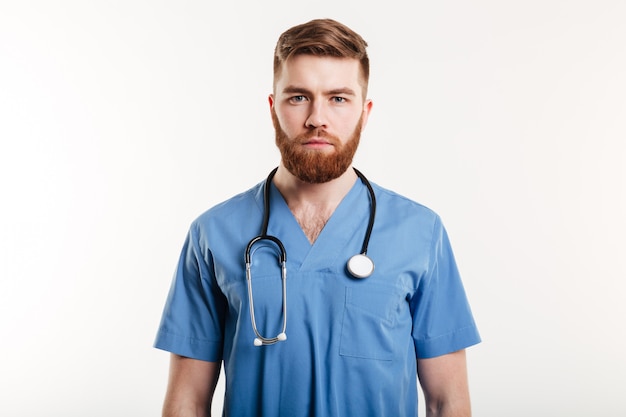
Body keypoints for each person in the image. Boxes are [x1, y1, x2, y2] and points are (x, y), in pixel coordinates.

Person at [154, 18, 480, 417]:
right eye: (298, 97)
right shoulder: (213, 234)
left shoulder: (420, 232)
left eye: (339, 98)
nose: (317, 119)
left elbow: (448, 401)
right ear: (273, 109)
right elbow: (186, 402)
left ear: (365, 112)